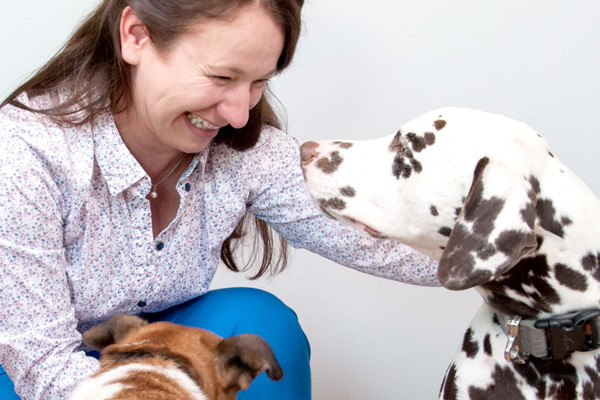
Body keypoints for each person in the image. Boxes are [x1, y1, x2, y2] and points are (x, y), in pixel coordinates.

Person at [0, 0, 439, 399]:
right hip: (22, 369)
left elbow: (377, 241)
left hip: (145, 351)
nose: (240, 113)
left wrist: (495, 255)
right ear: (135, 35)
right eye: (222, 77)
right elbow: (41, 363)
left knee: (261, 320)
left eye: (258, 82)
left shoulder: (247, 153)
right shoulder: (25, 151)